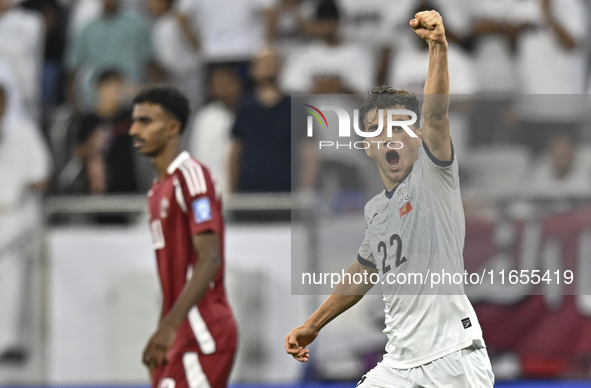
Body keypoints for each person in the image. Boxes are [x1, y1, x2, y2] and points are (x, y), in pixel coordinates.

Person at [285, 11, 494, 387]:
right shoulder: (376, 209)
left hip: (452, 358)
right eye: (376, 130)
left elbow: (436, 115)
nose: (388, 137)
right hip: (399, 362)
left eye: (398, 126)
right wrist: (312, 325)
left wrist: (438, 47)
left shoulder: (434, 176)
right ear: (366, 146)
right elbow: (364, 270)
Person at [129, 87, 237, 387]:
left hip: (203, 332)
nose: (134, 129)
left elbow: (209, 258)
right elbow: (173, 281)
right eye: (135, 120)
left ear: (173, 128)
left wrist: (169, 327)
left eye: (146, 121)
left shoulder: (193, 177)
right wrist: (163, 331)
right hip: (180, 333)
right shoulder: (157, 189)